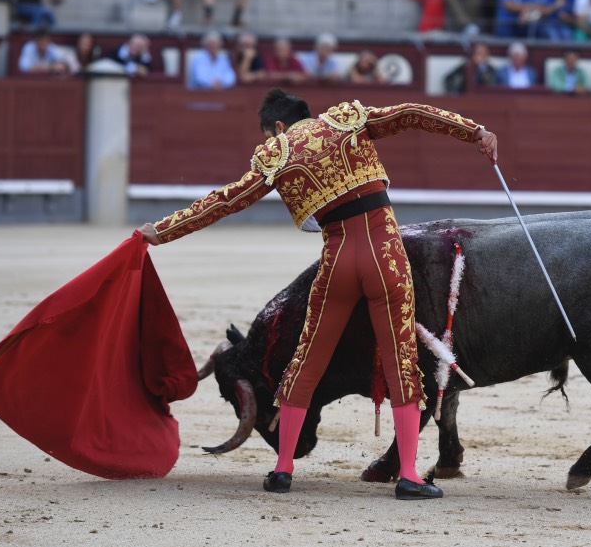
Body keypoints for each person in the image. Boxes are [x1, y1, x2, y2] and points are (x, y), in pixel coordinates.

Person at [138, 89, 499, 500]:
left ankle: (282, 469)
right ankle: (410, 475)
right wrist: (474, 131)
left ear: (278, 127)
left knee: (306, 360)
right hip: (385, 255)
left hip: (337, 259)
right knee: (401, 360)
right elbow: (412, 113)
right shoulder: (346, 120)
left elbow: (226, 200)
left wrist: (162, 230)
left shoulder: (277, 153)